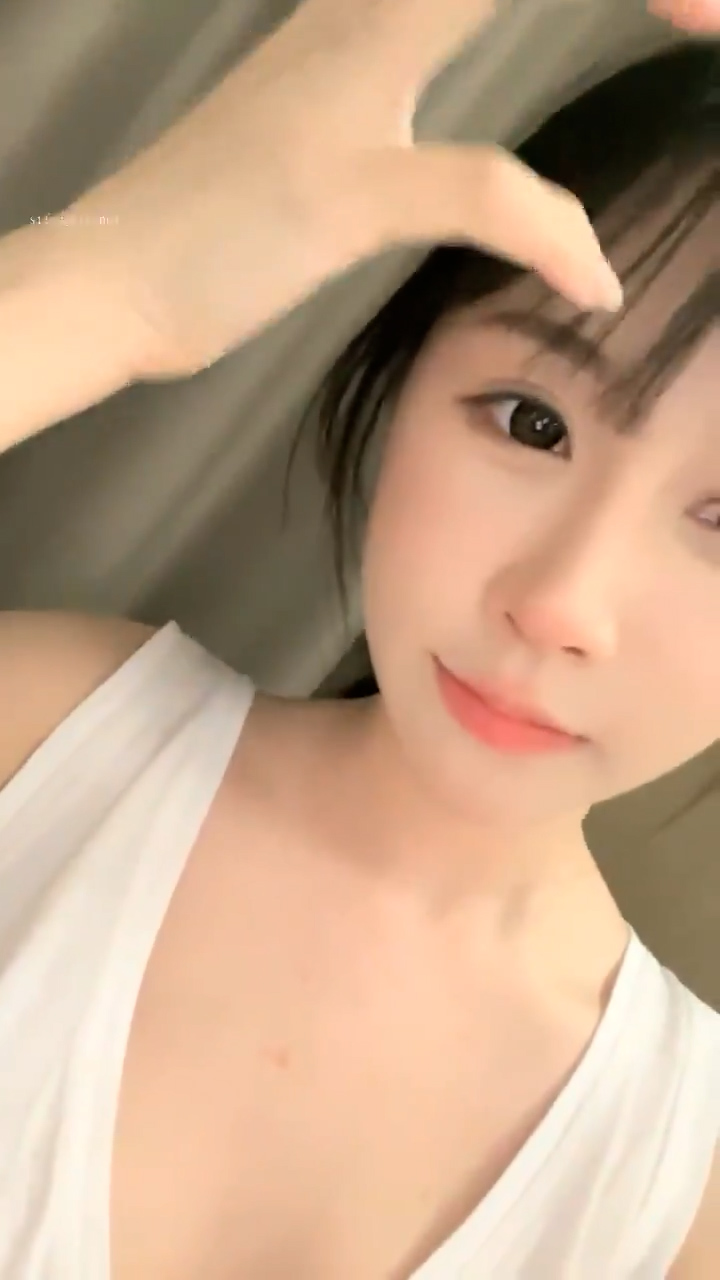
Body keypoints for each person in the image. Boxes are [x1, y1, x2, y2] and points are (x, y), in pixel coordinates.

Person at [0, 2, 718, 1278]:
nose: (561, 600)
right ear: (401, 376)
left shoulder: (686, 1185)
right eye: (533, 422)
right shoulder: (40, 740)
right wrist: (111, 290)